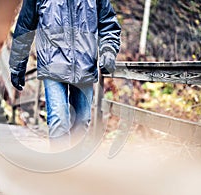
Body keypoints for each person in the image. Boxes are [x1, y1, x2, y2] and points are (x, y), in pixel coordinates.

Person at [9, 0, 121, 138]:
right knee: (58, 120)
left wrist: (108, 51)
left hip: (85, 66)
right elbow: (25, 27)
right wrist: (17, 65)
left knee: (82, 122)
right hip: (52, 65)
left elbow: (109, 24)